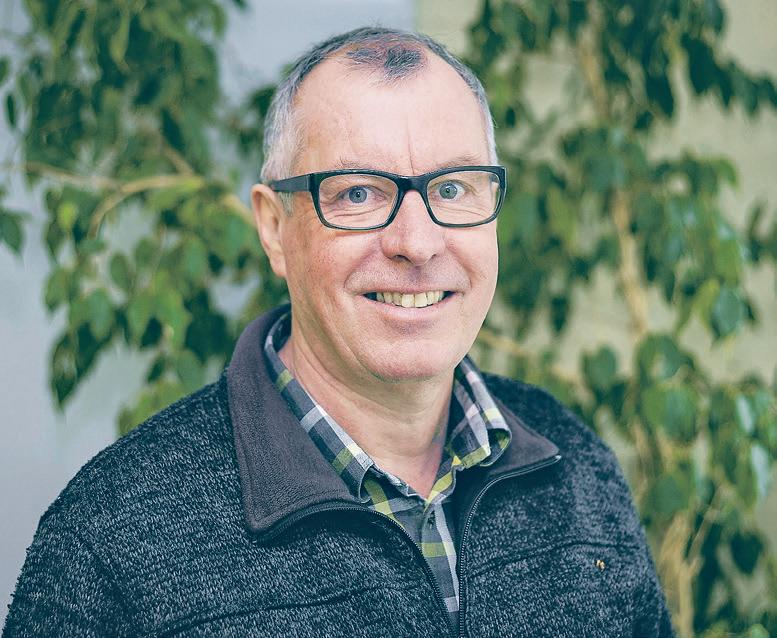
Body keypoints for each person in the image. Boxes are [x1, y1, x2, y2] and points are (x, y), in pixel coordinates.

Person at [3, 27, 674, 637]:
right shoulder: (113, 536)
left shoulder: (576, 467)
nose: (417, 242)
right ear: (274, 228)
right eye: (358, 193)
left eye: (452, 189)